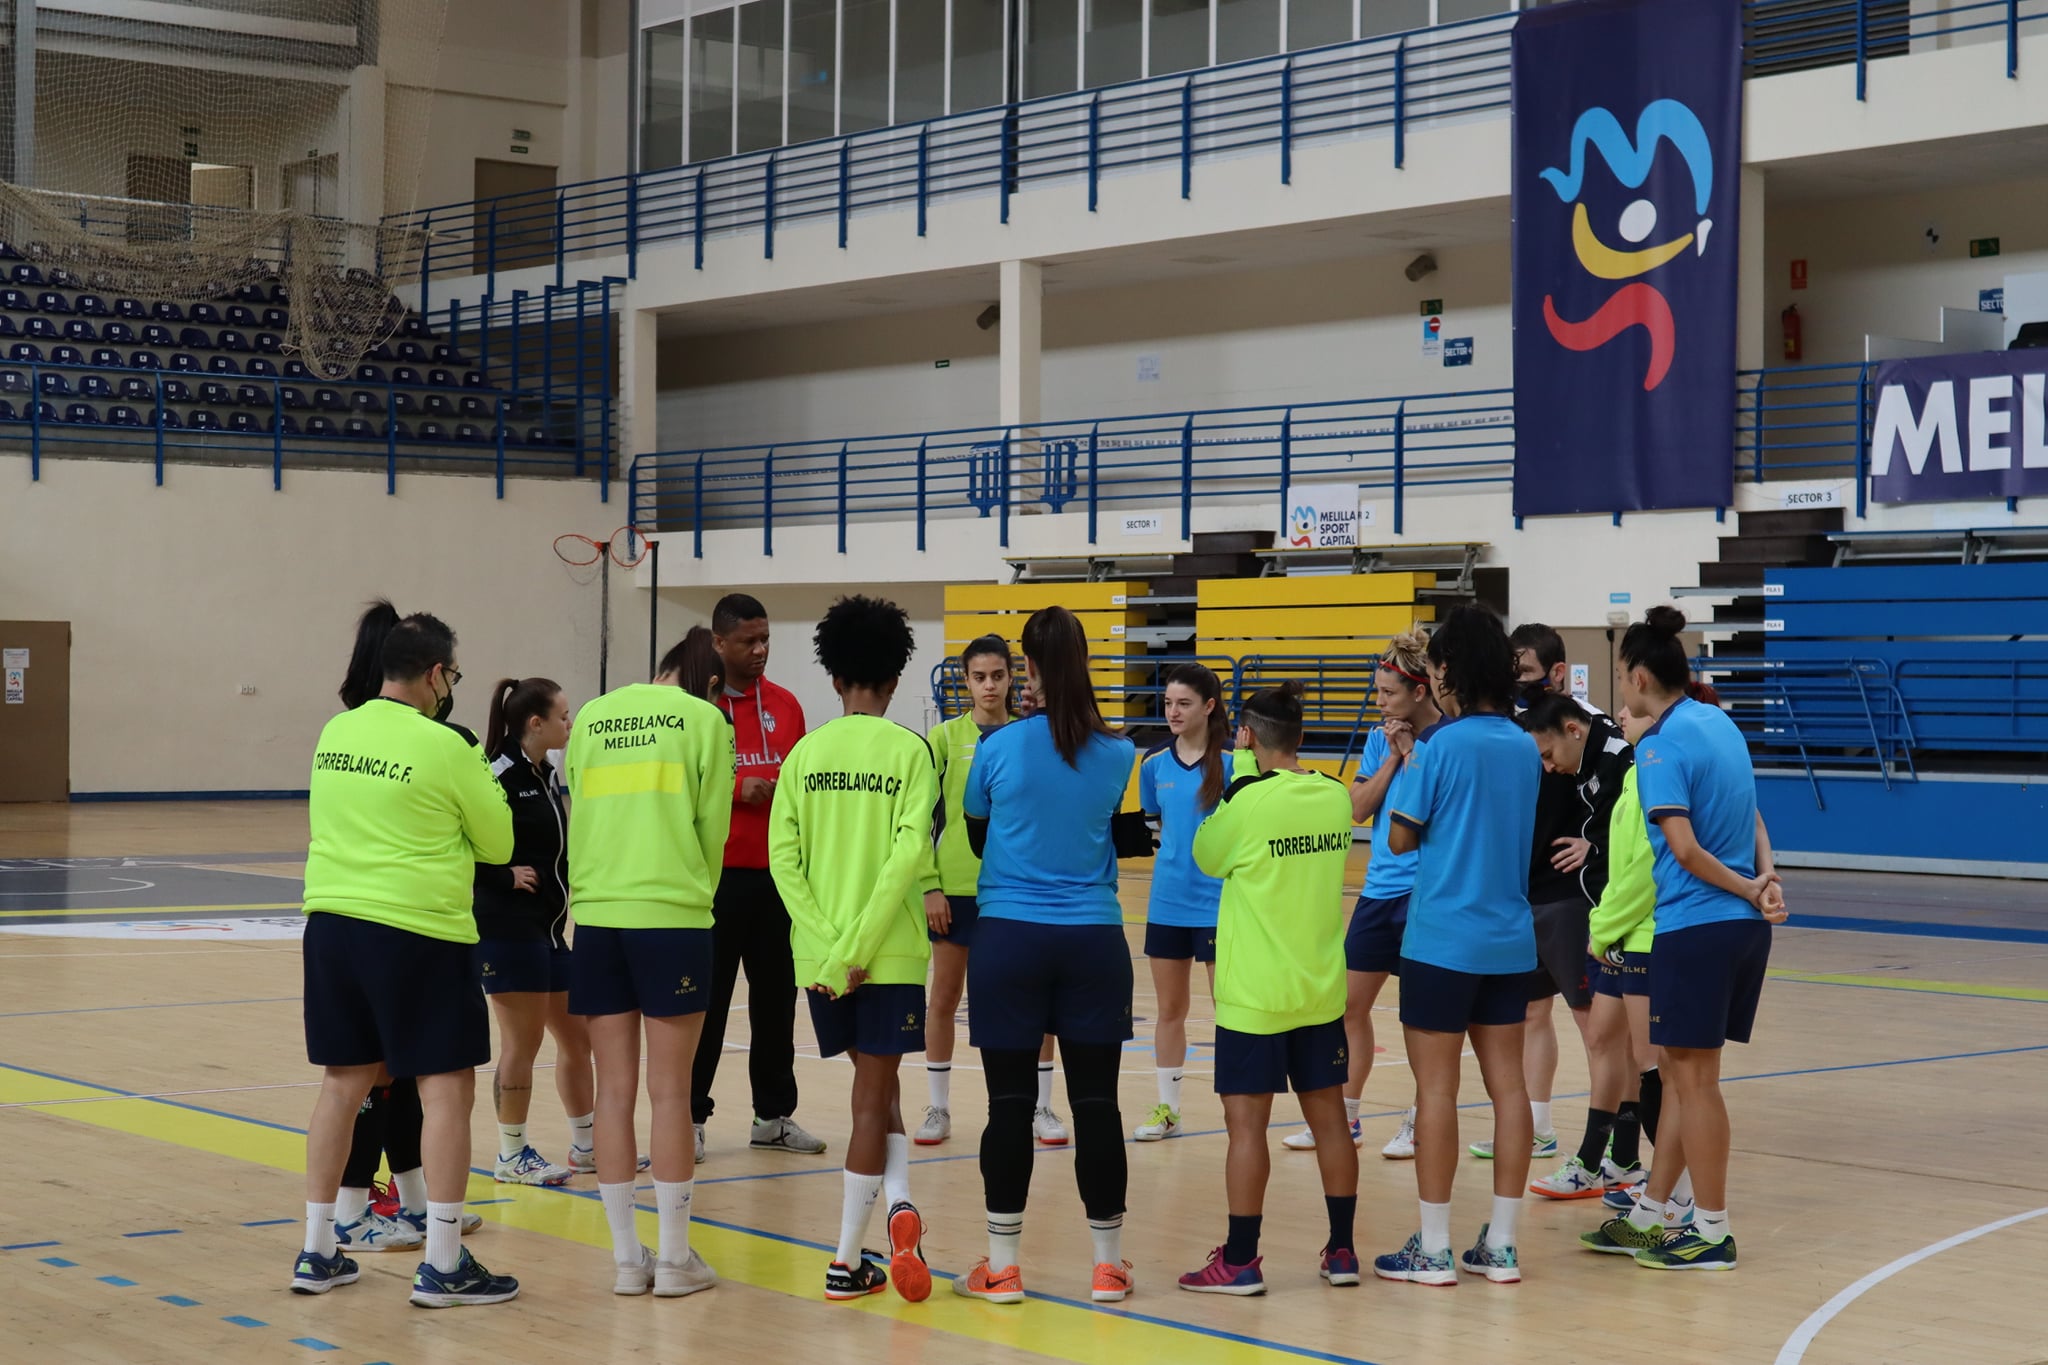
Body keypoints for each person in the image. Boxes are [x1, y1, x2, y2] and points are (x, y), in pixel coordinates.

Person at [294, 609, 519, 1308]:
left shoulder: (337, 730)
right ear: (434, 673)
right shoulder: (447, 744)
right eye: (451, 674)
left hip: (332, 924)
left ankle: (318, 1248)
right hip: (417, 929)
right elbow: (499, 842)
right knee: (446, 1085)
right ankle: (445, 1259)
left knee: (343, 1082)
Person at [951, 605, 1142, 1307]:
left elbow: (976, 836)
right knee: (1097, 1104)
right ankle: (1107, 1266)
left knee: (1008, 1105)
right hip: (1093, 939)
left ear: (1025, 667)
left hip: (1008, 939)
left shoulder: (995, 747)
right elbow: (1127, 844)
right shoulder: (1121, 754)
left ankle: (1002, 1267)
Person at [1593, 610, 1786, 1271]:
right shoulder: (1720, 723)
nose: (1621, 690)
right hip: (1735, 929)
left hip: (1698, 925)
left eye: (1622, 677)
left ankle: (1711, 1228)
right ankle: (1651, 1214)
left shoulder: (1659, 745)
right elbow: (1754, 815)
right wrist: (1764, 877)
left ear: (1641, 676)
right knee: (1679, 1076)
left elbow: (1682, 847)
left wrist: (1746, 887)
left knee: (1694, 1082)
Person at [769, 596, 936, 1303]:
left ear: (833, 677)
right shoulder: (909, 751)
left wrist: (831, 948)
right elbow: (905, 860)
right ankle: (845, 1261)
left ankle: (899, 1209)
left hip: (821, 960)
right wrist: (864, 945)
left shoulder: (804, 754)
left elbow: (784, 860)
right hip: (888, 956)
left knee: (878, 1088)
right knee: (874, 1101)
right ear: (895, 679)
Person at [1373, 606, 1540, 1288]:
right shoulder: (1525, 744)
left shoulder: (1439, 748)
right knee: (1510, 1089)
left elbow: (1399, 838)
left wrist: (1410, 763)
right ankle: (1500, 1244)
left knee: (1436, 1088)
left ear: (1446, 671)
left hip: (1442, 938)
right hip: (1509, 939)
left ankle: (1435, 1247)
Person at [1177, 682, 1360, 1295]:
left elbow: (1205, 854)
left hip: (1255, 995)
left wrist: (1236, 787)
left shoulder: (1247, 802)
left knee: (1246, 1130)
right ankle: (1341, 1251)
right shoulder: (1334, 798)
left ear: (1247, 738)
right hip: (1319, 991)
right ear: (1301, 736)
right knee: (1332, 1122)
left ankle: (1242, 1259)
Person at [566, 639, 736, 1296]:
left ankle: (625, 1261)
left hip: (600, 916)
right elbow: (711, 829)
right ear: (709, 680)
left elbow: (578, 811)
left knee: (613, 1088)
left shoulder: (593, 716)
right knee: (671, 1089)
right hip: (673, 915)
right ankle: (672, 1258)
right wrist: (698, 895)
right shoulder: (705, 720)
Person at [1281, 632, 1438, 1159]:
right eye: (1376, 692)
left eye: (1388, 693)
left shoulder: (1445, 739)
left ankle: (1419, 1120)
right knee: (1348, 1005)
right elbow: (1357, 807)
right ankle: (1346, 1118)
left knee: (1421, 1018)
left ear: (1419, 692)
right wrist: (1392, 758)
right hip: (1379, 892)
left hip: (1426, 892)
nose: (1380, 702)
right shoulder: (1378, 739)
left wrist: (1413, 751)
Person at [690, 594, 826, 1160]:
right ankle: (690, 1117)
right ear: (718, 643)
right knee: (708, 1004)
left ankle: (773, 1115)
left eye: (765, 638)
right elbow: (679, 785)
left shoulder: (789, 706)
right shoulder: (694, 710)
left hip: (778, 880)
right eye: (748, 640)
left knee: (777, 1002)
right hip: (716, 880)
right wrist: (733, 788)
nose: (760, 650)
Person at [917, 636, 1065, 1148]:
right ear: (965, 680)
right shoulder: (942, 739)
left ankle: (1041, 1105)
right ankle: (938, 1106)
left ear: (1012, 678)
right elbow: (921, 820)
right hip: (955, 888)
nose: (988, 686)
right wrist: (930, 886)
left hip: (1015, 890)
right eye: (978, 677)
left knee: (1032, 1002)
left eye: (998, 676)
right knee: (944, 997)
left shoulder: (1029, 735)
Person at [1465, 623, 1602, 1164]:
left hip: (1568, 899)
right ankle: (1540, 1127)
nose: (1516, 682)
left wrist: (1594, 844)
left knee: (1594, 1024)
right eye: (1511, 673)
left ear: (1558, 672)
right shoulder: (1513, 733)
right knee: (1529, 1014)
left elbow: (1619, 800)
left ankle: (1613, 1144)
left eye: (1524, 672)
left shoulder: (1585, 731)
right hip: (1522, 897)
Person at [473, 677, 595, 1187]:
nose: (571, 723)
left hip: (548, 932)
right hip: (507, 930)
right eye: (563, 716)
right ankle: (511, 1153)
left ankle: (587, 1146)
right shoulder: (495, 773)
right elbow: (459, 840)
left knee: (577, 1037)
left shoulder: (545, 773)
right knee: (521, 1045)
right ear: (535, 722)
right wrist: (502, 875)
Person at [1518, 689, 1638, 1198]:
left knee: (1616, 1044)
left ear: (1572, 730)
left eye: (1548, 755)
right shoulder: (1588, 762)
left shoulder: (1618, 759)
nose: (1547, 768)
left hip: (1616, 924)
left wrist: (1605, 927)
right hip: (1605, 917)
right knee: (1611, 1041)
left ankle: (1621, 1163)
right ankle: (1618, 1161)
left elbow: (1637, 849)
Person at [1132, 662, 1230, 1142]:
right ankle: (1168, 1110)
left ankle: (1239, 1108)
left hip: (1220, 905)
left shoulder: (1236, 762)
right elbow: (1154, 826)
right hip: (1167, 903)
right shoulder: (1152, 763)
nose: (1173, 711)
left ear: (1208, 707)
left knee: (1227, 1008)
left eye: (1184, 703)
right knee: (1169, 1010)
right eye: (1168, 703)